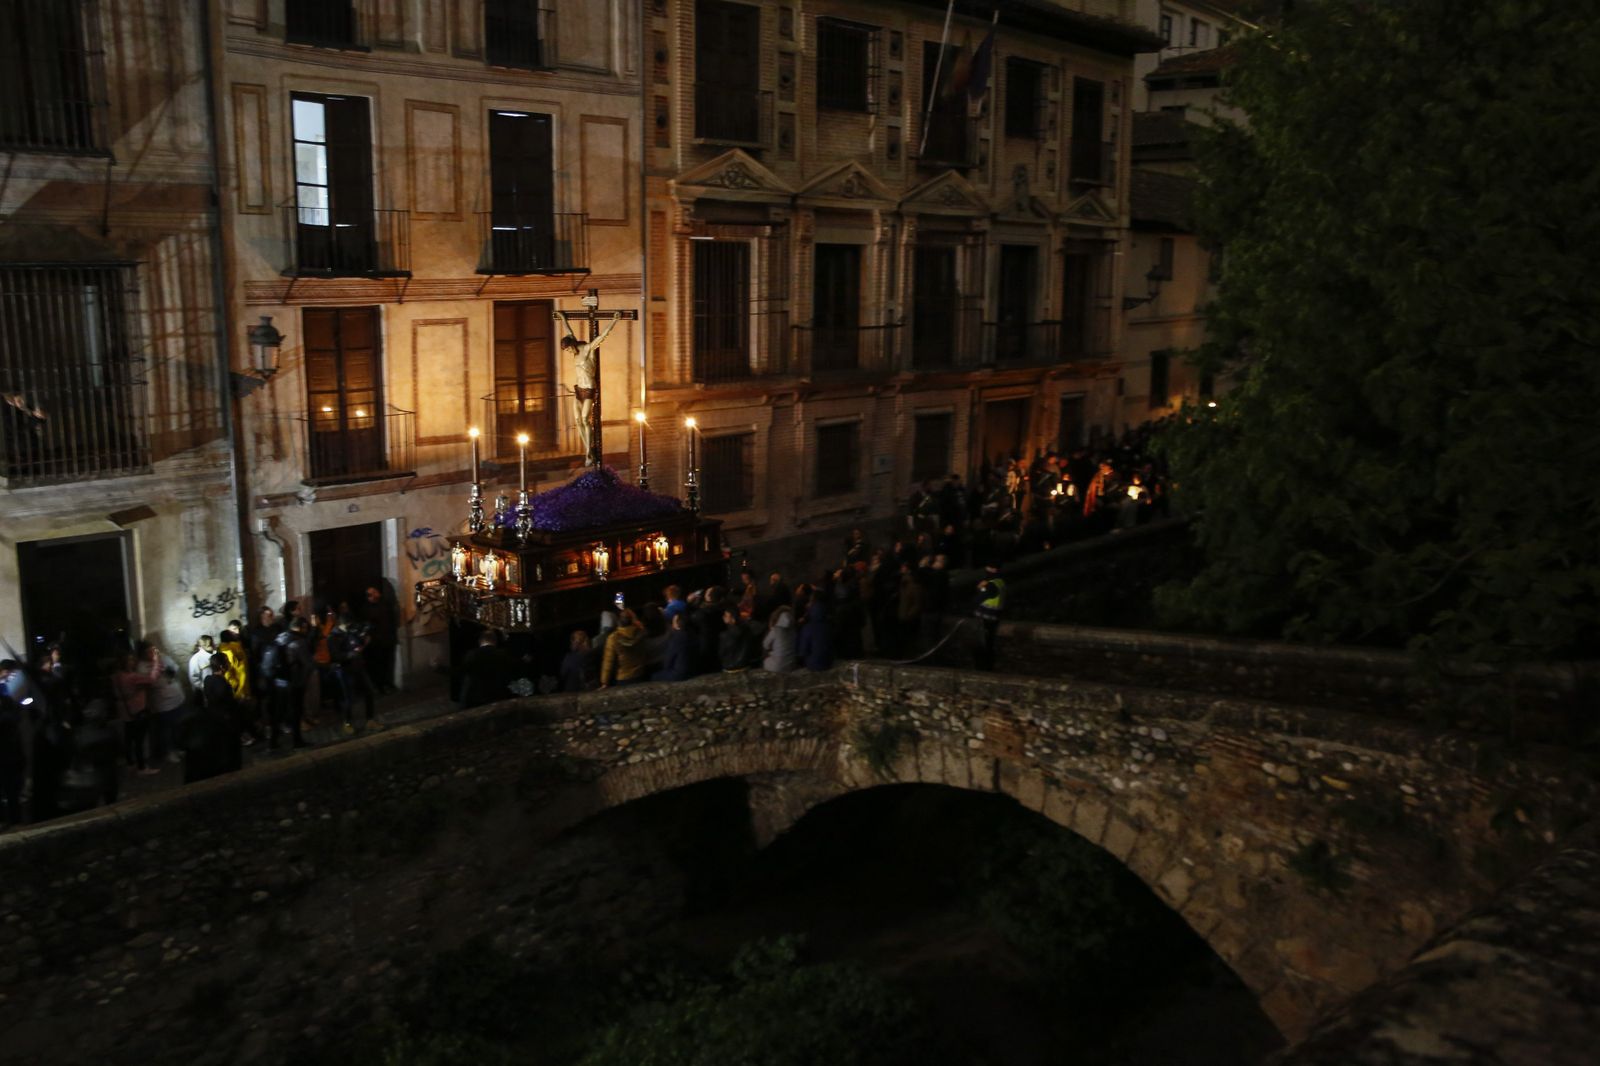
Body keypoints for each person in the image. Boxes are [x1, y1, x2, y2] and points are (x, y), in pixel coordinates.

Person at [556, 308, 623, 463]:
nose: (568, 352)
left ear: (572, 345)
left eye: (568, 349)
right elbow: (568, 330)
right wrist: (562, 318)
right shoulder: (574, 349)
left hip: (589, 390)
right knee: (577, 420)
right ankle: (588, 450)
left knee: (585, 419)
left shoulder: (587, 349)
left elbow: (602, 336)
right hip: (578, 389)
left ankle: (588, 451)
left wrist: (614, 320)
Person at [329, 615, 380, 734]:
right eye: (347, 625)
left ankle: (370, 720)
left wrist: (364, 641)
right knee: (348, 698)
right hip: (345, 670)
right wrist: (351, 654)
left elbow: (358, 644)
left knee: (369, 691)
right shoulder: (333, 637)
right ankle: (347, 723)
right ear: (340, 624)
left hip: (359, 667)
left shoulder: (351, 632)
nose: (349, 627)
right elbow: (335, 656)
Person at [111, 650, 159, 776]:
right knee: (139, 740)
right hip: (137, 710)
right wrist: (156, 662)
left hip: (125, 712)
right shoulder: (132, 677)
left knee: (129, 738)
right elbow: (152, 679)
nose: (133, 662)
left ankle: (130, 763)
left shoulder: (116, 676)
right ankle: (142, 767)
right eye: (130, 660)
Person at [458, 630, 519, 708]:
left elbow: (463, 672)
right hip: (498, 697)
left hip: (476, 698)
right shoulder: (503, 654)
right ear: (495, 641)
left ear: (480, 641)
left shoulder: (472, 654)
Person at [599, 609, 649, 687]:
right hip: (641, 674)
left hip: (623, 678)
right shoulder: (641, 632)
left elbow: (608, 661)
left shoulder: (613, 638)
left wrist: (604, 682)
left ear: (618, 621)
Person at [363, 586, 398, 694]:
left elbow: (392, 620)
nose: (374, 595)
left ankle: (389, 683)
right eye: (370, 594)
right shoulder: (368, 609)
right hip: (377, 642)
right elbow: (368, 625)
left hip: (388, 639)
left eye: (374, 592)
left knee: (389, 663)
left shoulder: (385, 604)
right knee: (379, 665)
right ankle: (380, 686)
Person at [974, 563, 1006, 671]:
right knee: (989, 643)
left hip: (986, 617)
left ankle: (984, 667)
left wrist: (980, 588)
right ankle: (987, 666)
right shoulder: (1000, 582)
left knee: (984, 644)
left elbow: (980, 597)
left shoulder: (991, 584)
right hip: (994, 617)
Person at [0, 695, 25, 826]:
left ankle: (9, 819)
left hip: (7, 761)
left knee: (9, 792)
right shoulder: (12, 721)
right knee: (12, 793)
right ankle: (14, 819)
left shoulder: (6, 720)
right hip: (12, 760)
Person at [796, 598, 834, 671]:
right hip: (828, 663)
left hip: (812, 664)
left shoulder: (807, 628)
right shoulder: (828, 627)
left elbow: (802, 651)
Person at [653, 614, 694, 682]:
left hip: (678, 673)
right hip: (692, 669)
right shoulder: (692, 633)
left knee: (652, 676)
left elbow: (668, 661)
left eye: (673, 621)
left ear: (677, 624)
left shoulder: (677, 638)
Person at [762, 605, 797, 673]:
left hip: (777, 667)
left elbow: (765, 645)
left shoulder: (775, 630)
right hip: (791, 665)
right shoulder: (793, 631)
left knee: (765, 660)